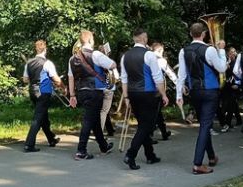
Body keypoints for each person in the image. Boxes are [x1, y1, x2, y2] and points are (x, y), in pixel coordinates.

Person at [177, 22, 228, 174]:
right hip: (209, 91)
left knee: (205, 125)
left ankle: (212, 157)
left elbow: (182, 75)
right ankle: (197, 164)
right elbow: (222, 68)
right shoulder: (210, 50)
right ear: (204, 34)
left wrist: (179, 95)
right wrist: (222, 51)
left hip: (195, 91)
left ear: (191, 34)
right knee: (206, 126)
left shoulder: (183, 51)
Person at [120, 29, 168, 170]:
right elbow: (157, 77)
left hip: (133, 93)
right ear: (144, 38)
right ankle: (131, 154)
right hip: (148, 94)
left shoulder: (125, 56)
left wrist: (126, 96)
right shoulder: (149, 55)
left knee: (143, 124)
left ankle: (150, 155)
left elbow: (124, 79)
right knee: (146, 126)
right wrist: (164, 94)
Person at [68, 31, 115, 160]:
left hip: (80, 91)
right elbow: (112, 65)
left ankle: (103, 146)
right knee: (89, 120)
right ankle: (81, 151)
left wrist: (72, 95)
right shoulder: (96, 54)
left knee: (93, 119)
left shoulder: (72, 58)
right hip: (95, 90)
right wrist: (106, 57)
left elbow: (70, 77)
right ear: (89, 40)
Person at [22, 39, 63, 152]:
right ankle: (29, 144)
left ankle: (51, 139)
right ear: (45, 49)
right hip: (43, 92)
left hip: (32, 91)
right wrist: (62, 86)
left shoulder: (29, 63)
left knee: (43, 116)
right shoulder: (47, 63)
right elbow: (56, 79)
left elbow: (25, 79)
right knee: (38, 118)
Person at [151, 42, 176, 140]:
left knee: (157, 112)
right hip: (157, 89)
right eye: (162, 51)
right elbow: (170, 73)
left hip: (146, 89)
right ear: (159, 50)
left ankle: (164, 132)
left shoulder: (146, 58)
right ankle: (150, 135)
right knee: (155, 112)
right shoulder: (161, 60)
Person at [218, 47, 242, 132]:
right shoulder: (225, 62)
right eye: (231, 52)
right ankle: (237, 120)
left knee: (230, 105)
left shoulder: (238, 63)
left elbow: (240, 74)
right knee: (228, 105)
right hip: (225, 86)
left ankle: (227, 123)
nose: (233, 54)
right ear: (228, 54)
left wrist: (238, 85)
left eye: (234, 52)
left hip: (233, 87)